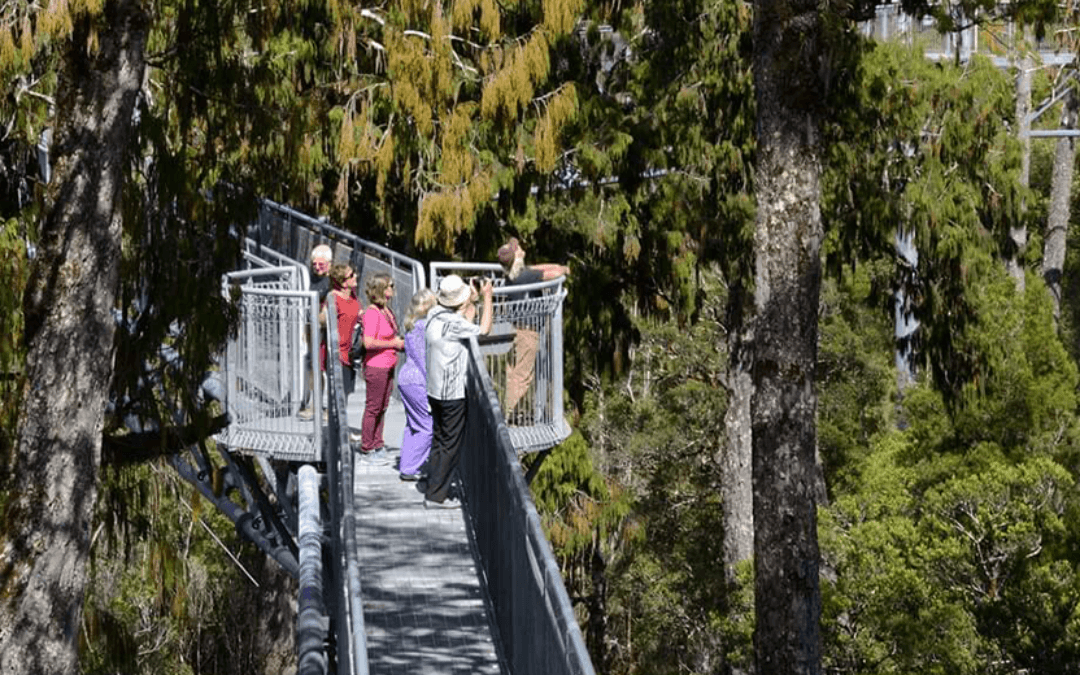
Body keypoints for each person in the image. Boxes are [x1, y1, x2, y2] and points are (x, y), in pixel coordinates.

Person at [423, 274, 494, 509]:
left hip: (434, 389)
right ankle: (435, 496)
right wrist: (487, 297)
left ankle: (433, 482)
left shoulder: (434, 313)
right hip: (451, 392)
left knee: (440, 438)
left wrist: (466, 303)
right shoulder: (454, 324)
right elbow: (483, 329)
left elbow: (460, 317)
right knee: (451, 444)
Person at [496, 237, 570, 423]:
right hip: (527, 332)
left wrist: (554, 266)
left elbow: (537, 269)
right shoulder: (524, 277)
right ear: (516, 258)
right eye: (518, 249)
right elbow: (553, 273)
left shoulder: (514, 275)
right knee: (522, 376)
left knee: (514, 373)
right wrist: (564, 269)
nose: (521, 249)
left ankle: (510, 413)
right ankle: (510, 418)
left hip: (516, 329)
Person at [359, 273, 405, 461]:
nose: (392, 290)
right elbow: (368, 343)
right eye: (389, 286)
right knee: (373, 407)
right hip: (376, 366)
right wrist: (393, 344)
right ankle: (367, 446)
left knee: (383, 406)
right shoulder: (372, 313)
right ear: (380, 290)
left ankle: (378, 442)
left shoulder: (386, 311)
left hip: (388, 365)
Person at [397, 289, 437, 481]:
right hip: (417, 380)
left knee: (413, 425)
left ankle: (407, 463)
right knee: (426, 426)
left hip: (406, 376)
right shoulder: (423, 327)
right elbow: (423, 359)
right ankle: (412, 467)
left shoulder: (411, 326)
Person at [320, 264, 361, 436]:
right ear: (343, 282)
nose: (355, 276)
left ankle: (338, 428)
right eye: (351, 275)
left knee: (346, 391)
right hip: (337, 352)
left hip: (350, 352)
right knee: (338, 393)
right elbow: (321, 319)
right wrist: (325, 315)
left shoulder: (352, 296)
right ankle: (335, 432)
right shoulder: (333, 297)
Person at [298, 244, 333, 421]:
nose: (317, 267)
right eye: (315, 264)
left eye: (322, 264)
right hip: (312, 328)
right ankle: (314, 404)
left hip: (328, 331)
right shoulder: (309, 278)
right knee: (314, 367)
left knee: (328, 368)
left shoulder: (333, 282)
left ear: (330, 264)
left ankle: (330, 408)